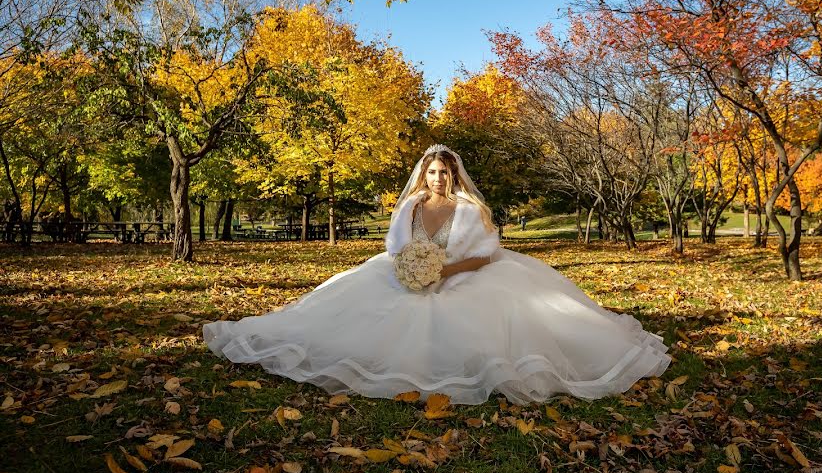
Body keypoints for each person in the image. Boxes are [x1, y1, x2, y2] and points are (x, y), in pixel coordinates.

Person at [203, 144, 671, 406]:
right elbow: (396, 250)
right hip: (406, 275)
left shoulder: (470, 209)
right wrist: (412, 269)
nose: (438, 179)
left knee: (483, 317)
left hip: (466, 276)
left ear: (454, 176)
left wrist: (445, 270)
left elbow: (487, 255)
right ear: (422, 176)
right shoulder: (408, 206)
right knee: (348, 307)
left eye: (444, 173)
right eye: (432, 173)